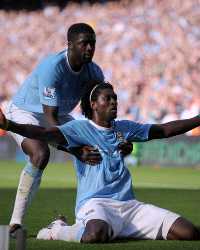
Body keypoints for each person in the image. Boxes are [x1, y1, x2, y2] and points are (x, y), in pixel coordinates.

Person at [1, 81, 199, 242]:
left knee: (189, 232)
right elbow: (43, 132)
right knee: (95, 234)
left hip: (129, 206)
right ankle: (57, 230)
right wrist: (10, 124)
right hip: (95, 205)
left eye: (115, 98)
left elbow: (165, 130)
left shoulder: (124, 128)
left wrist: (198, 119)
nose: (114, 102)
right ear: (94, 104)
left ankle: (116, 229)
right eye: (108, 98)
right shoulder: (79, 128)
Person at [4, 23, 132, 235]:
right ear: (69, 45)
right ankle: (16, 222)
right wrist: (74, 149)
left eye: (93, 43)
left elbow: (101, 118)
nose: (90, 48)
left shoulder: (94, 72)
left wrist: (117, 139)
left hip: (58, 114)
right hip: (25, 111)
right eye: (84, 44)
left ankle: (92, 213)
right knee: (40, 153)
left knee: (93, 150)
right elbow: (50, 118)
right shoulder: (52, 68)